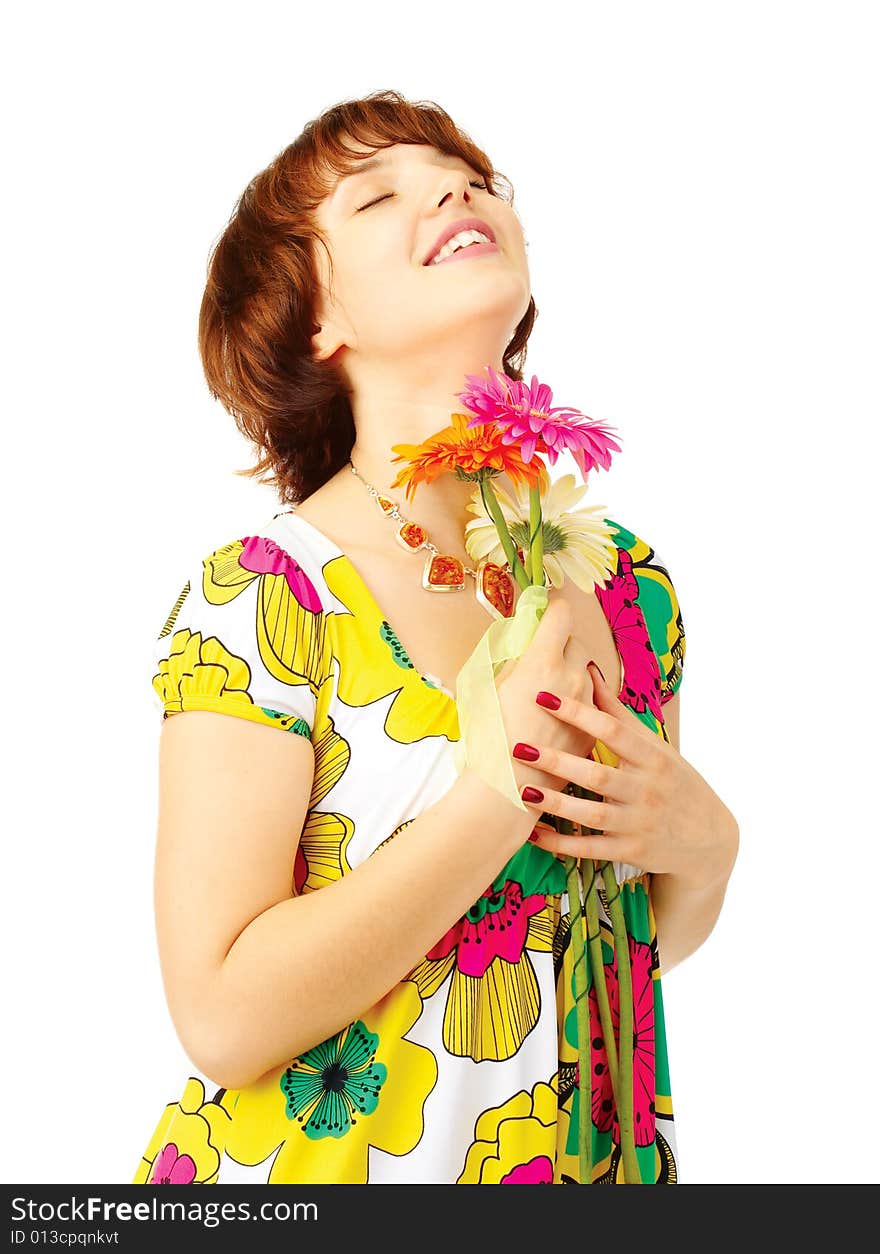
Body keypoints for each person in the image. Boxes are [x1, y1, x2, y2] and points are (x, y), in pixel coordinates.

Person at [132, 89, 739, 1186]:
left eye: (469, 179)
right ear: (319, 324)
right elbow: (220, 1019)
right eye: (377, 198)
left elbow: (607, 935)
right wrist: (492, 795)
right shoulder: (266, 599)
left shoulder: (627, 583)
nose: (456, 190)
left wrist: (705, 854)